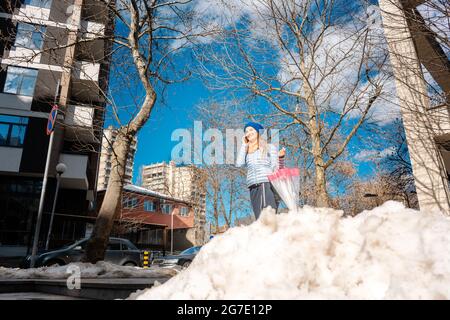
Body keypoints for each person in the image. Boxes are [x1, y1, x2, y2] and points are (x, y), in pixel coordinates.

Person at [236, 122, 284, 220]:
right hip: (252, 186)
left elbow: (276, 167)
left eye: (251, 130)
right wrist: (244, 145)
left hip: (265, 183)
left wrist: (281, 158)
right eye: (246, 131)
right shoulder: (246, 150)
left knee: (267, 216)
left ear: (258, 132)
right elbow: (239, 164)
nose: (248, 133)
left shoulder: (269, 147)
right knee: (259, 218)